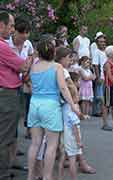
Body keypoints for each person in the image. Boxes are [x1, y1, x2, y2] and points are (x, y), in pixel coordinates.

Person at [27, 35, 80, 180]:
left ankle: (30, 176)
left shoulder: (34, 66)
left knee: (35, 144)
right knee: (51, 145)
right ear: (53, 53)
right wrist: (73, 106)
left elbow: (29, 82)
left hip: (34, 105)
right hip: (50, 106)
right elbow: (63, 88)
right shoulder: (57, 67)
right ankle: (47, 177)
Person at [0, 10, 32, 179]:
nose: (12, 29)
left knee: (10, 132)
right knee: (5, 136)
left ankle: (10, 163)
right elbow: (23, 66)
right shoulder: (3, 46)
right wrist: (27, 62)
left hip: (9, 92)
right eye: (11, 25)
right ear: (1, 25)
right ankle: (3, 173)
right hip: (7, 94)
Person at [55, 47, 96, 176]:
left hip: (59, 109)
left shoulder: (53, 69)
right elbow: (75, 125)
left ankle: (58, 176)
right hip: (68, 112)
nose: (71, 60)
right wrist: (76, 104)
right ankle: (80, 166)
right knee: (72, 155)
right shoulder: (62, 71)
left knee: (60, 153)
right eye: (69, 58)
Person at [92, 33, 107, 117]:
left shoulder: (105, 52)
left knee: (103, 94)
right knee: (98, 94)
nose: (103, 43)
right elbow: (95, 65)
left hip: (106, 76)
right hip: (100, 76)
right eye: (101, 42)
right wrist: (98, 77)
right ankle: (96, 111)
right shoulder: (96, 52)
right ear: (97, 43)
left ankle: (103, 110)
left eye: (104, 41)